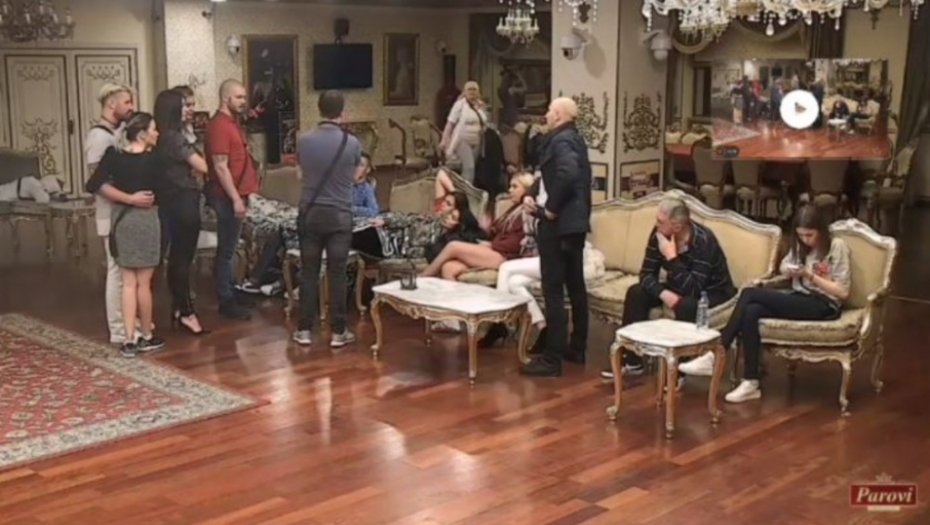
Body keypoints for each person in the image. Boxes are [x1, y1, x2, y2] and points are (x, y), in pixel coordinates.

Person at [679, 205, 850, 403]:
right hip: (799, 296)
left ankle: (716, 354)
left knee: (750, 293)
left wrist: (809, 275)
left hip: (824, 304)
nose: (805, 240)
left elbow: (843, 292)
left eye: (810, 235)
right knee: (751, 311)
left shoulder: (837, 246)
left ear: (821, 230)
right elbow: (785, 265)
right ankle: (751, 382)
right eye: (801, 235)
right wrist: (789, 270)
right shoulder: (801, 246)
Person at [600, 197, 737, 381]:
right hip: (677, 286)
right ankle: (632, 361)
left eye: (660, 221)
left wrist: (671, 258)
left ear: (677, 227)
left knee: (687, 305)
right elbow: (646, 275)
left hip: (712, 291)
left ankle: (678, 372)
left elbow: (694, 289)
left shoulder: (704, 242)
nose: (656, 224)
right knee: (636, 293)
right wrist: (664, 294)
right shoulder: (659, 234)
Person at [519, 98, 592, 377]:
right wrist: (532, 192)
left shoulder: (560, 141)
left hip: (559, 225)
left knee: (553, 289)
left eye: (550, 110)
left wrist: (550, 208)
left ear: (559, 115)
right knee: (575, 287)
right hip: (575, 223)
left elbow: (568, 173)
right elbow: (551, 176)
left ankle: (552, 358)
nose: (546, 114)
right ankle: (577, 347)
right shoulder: (574, 138)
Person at [85, 113, 166, 358]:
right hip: (147, 220)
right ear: (142, 134)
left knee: (127, 283)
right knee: (144, 284)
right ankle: (147, 335)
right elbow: (166, 192)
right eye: (153, 129)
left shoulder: (114, 156)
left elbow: (93, 184)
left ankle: (128, 339)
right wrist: (138, 199)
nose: (157, 133)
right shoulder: (156, 160)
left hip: (121, 220)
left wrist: (127, 198)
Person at [292, 90, 362, 347]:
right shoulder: (352, 143)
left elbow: (300, 174)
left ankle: (304, 330)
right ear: (342, 112)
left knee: (309, 272)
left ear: (319, 109)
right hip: (340, 215)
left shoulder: (303, 140)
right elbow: (355, 176)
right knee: (337, 273)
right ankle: (338, 332)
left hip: (311, 213)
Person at [84, 83, 141, 345]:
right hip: (110, 213)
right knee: (117, 272)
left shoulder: (117, 133)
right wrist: (129, 198)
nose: (131, 107)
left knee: (127, 270)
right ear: (111, 104)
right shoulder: (98, 137)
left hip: (124, 213)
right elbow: (98, 182)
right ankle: (118, 329)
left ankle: (129, 321)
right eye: (126, 102)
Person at [154, 89, 210, 335]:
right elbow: (202, 166)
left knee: (176, 257)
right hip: (184, 200)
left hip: (168, 200)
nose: (188, 110)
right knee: (183, 259)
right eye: (183, 106)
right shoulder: (175, 139)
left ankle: (179, 306)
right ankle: (187, 312)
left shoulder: (159, 136)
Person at [205, 79, 258, 320]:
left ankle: (230, 290)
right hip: (226, 196)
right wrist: (236, 199)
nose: (243, 101)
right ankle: (225, 299)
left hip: (237, 193)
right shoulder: (219, 126)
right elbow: (220, 166)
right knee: (226, 250)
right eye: (239, 97)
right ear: (226, 98)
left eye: (244, 97)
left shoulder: (231, 123)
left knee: (230, 247)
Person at [420, 172, 533, 281]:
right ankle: (456, 295)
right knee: (448, 268)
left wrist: (492, 244)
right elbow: (497, 231)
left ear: (527, 189)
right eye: (510, 186)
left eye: (515, 187)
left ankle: (423, 278)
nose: (510, 190)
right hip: (495, 250)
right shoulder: (513, 209)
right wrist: (488, 229)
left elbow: (517, 243)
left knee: (453, 246)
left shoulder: (526, 212)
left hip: (505, 256)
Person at [440, 81, 487, 184]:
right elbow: (450, 123)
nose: (472, 92)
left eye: (474, 89)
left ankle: (464, 188)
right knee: (469, 168)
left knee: (471, 169)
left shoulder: (481, 106)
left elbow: (484, 122)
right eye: (469, 89)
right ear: (465, 91)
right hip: (462, 140)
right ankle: (465, 192)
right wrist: (444, 140)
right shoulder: (459, 105)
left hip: (477, 142)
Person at [352, 152, 380, 218]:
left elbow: (374, 211)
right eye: (354, 164)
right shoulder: (342, 185)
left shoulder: (366, 188)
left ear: (367, 170)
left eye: (361, 165)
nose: (356, 168)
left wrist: (353, 209)